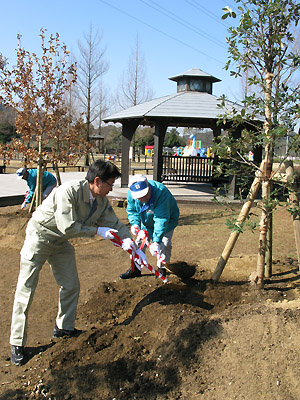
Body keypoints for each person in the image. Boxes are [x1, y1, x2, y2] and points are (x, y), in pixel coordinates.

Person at [10, 160, 139, 366]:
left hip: (61, 242)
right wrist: (97, 231)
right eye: (110, 184)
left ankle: (64, 328)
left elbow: (114, 223)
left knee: (71, 285)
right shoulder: (68, 192)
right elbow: (67, 226)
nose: (112, 188)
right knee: (26, 289)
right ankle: (17, 343)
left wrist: (130, 243)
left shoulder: (102, 201)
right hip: (40, 236)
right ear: (97, 181)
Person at [120, 174, 179, 280]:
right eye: (140, 197)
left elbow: (161, 219)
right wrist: (135, 223)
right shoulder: (132, 194)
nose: (143, 198)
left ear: (148, 186)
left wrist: (156, 241)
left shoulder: (161, 193)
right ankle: (135, 269)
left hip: (166, 222)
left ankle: (162, 269)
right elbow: (132, 210)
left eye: (145, 195)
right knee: (138, 244)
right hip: (145, 222)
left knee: (164, 244)